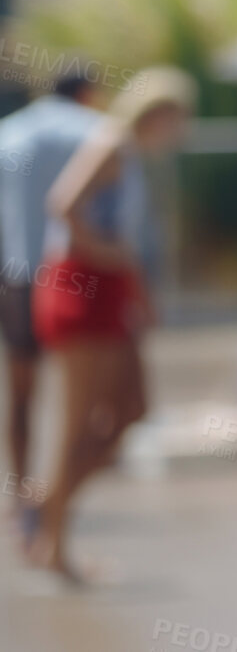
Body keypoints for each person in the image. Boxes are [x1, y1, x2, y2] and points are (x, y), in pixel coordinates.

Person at [26, 65, 195, 581]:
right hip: (82, 287)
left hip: (108, 290)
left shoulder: (131, 156)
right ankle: (53, 540)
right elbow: (64, 206)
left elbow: (123, 238)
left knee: (131, 410)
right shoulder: (110, 145)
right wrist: (112, 257)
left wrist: (135, 288)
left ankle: (48, 504)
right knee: (78, 424)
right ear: (158, 113)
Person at [0, 71, 102, 539]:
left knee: (22, 393)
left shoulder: (11, 131)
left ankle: (24, 492)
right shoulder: (92, 131)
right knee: (81, 399)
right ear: (86, 92)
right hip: (75, 275)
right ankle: (55, 503)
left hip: (17, 275)